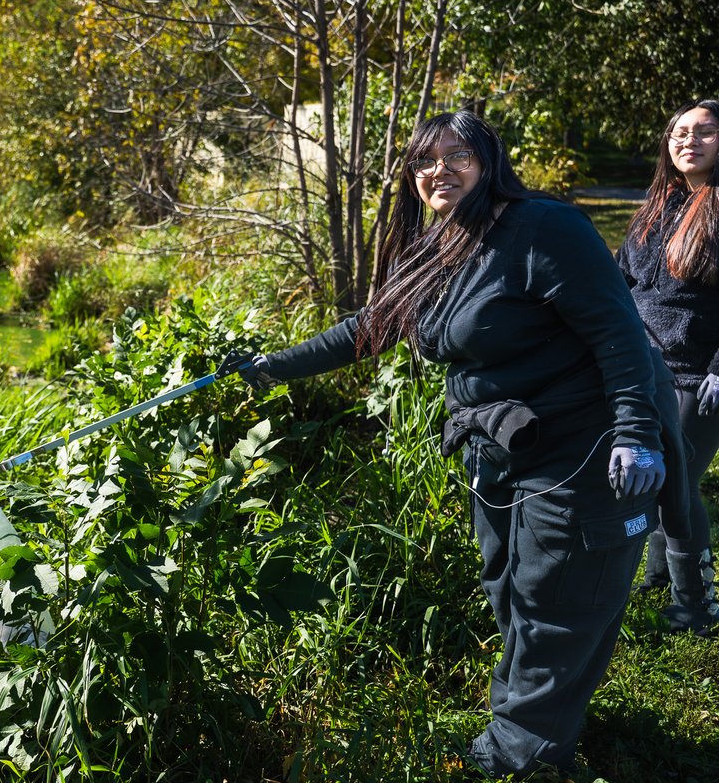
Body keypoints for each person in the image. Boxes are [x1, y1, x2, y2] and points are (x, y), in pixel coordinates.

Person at [240, 111, 682, 778]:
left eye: (457, 155)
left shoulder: (545, 229)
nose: (438, 170)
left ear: (489, 161)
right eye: (424, 160)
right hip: (502, 448)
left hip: (583, 447)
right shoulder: (444, 245)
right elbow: (371, 326)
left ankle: (515, 756)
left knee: (556, 602)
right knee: (510, 591)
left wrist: (635, 435)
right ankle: (543, 721)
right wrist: (272, 366)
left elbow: (619, 335)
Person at [618, 99, 719, 635]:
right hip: (642, 366)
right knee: (660, 479)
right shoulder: (658, 204)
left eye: (704, 132)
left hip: (696, 375)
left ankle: (697, 606)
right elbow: (623, 281)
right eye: (680, 132)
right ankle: (658, 578)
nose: (689, 141)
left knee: (677, 485)